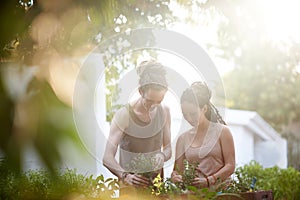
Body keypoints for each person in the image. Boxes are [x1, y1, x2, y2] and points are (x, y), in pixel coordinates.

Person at [103, 60, 172, 188]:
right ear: (141, 91)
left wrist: (162, 155)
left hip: (155, 187)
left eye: (159, 101)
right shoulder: (124, 115)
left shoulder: (165, 111)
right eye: (150, 101)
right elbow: (107, 158)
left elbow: (168, 149)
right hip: (130, 189)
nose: (154, 105)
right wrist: (125, 176)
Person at [171, 81, 235, 189]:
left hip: (221, 194)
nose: (189, 119)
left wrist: (209, 181)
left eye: (193, 114)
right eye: (185, 114)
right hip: (195, 195)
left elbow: (230, 166)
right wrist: (175, 177)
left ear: (204, 109)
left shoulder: (223, 132)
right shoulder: (183, 139)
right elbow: (177, 171)